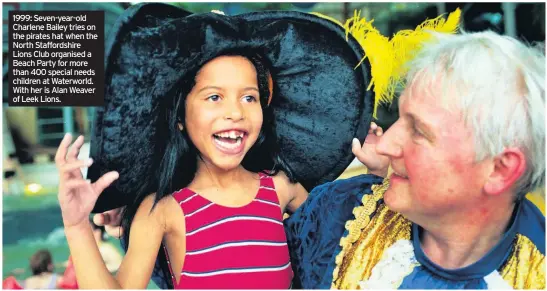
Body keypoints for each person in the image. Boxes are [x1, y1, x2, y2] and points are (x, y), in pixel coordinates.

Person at [56, 3, 387, 289]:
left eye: (249, 97)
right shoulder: (161, 210)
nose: (235, 112)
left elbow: (348, 240)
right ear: (180, 117)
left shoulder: (282, 187)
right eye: (214, 97)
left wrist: (379, 171)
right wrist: (76, 226)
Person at [285, 30, 545, 289]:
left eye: (419, 131)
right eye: (399, 117)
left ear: (499, 170)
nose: (386, 144)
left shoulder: (535, 274)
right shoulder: (338, 211)